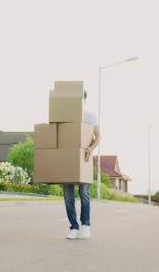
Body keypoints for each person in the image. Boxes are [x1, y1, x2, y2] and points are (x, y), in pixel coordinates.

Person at [63, 90, 100, 240]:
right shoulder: (63, 115)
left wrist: (90, 149)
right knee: (68, 196)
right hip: (67, 160)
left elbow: (98, 137)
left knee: (84, 194)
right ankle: (73, 227)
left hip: (84, 159)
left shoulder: (90, 117)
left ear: (84, 100)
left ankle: (85, 225)